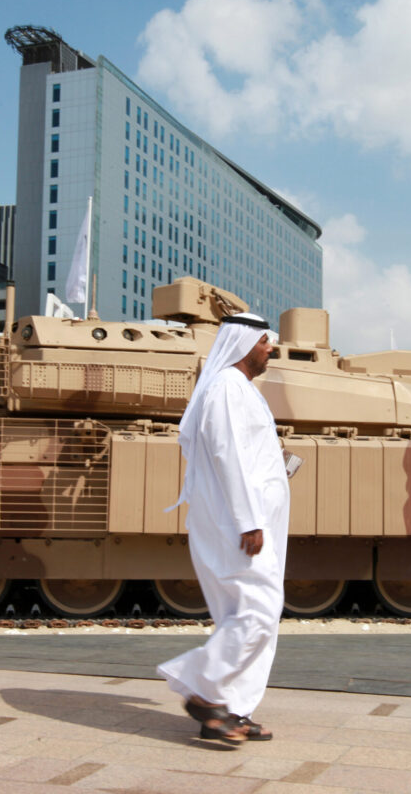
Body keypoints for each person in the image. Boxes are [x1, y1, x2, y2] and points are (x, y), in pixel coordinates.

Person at [157, 313, 287, 745]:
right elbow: (228, 457)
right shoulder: (227, 388)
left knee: (243, 616)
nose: (272, 348)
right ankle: (203, 689)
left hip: (248, 520)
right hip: (237, 525)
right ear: (245, 343)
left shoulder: (240, 391)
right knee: (258, 612)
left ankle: (231, 710)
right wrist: (248, 519)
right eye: (265, 341)